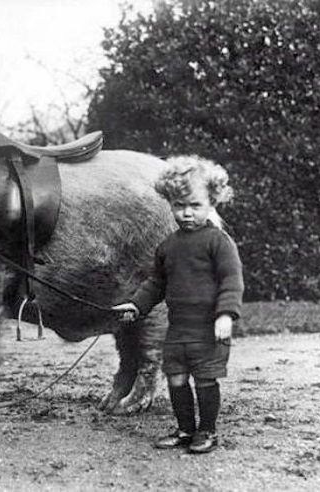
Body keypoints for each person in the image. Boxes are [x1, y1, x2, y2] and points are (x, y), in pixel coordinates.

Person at [113, 155, 244, 454]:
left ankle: (207, 431)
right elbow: (155, 284)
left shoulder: (219, 242)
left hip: (208, 329)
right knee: (176, 378)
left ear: (212, 202)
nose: (186, 213)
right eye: (179, 206)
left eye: (195, 206)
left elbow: (231, 280)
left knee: (205, 380)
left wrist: (226, 314)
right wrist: (136, 305)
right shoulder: (168, 246)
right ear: (169, 204)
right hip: (178, 330)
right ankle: (185, 429)